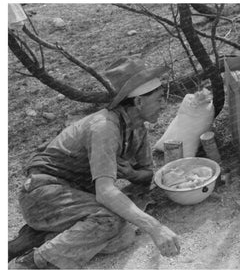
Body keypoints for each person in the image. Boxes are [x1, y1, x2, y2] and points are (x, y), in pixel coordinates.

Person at [8, 56, 180, 269]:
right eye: (159, 98)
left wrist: (133, 175)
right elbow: (105, 192)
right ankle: (34, 261)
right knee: (112, 221)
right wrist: (156, 228)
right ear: (138, 101)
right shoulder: (104, 127)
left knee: (124, 237)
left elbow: (146, 173)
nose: (164, 104)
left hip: (75, 198)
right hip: (44, 195)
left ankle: (37, 238)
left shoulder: (137, 128)